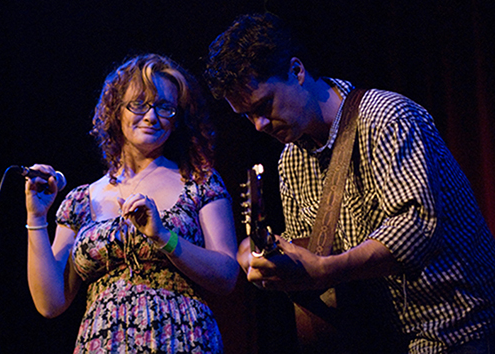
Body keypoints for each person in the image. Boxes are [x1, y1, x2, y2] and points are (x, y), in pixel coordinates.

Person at [204, 13, 495, 354]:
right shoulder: (290, 159)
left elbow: (417, 227)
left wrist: (327, 269)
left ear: (297, 71)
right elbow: (313, 258)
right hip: (384, 339)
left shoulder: (387, 117)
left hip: (456, 330)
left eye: (264, 105)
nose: (259, 125)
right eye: (247, 116)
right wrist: (276, 264)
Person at [25, 53, 239, 353]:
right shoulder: (81, 200)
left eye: (165, 107)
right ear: (116, 111)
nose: (152, 117)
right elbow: (50, 303)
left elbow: (227, 276)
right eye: (139, 104)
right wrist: (36, 217)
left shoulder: (199, 182)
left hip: (183, 339)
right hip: (103, 342)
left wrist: (164, 237)